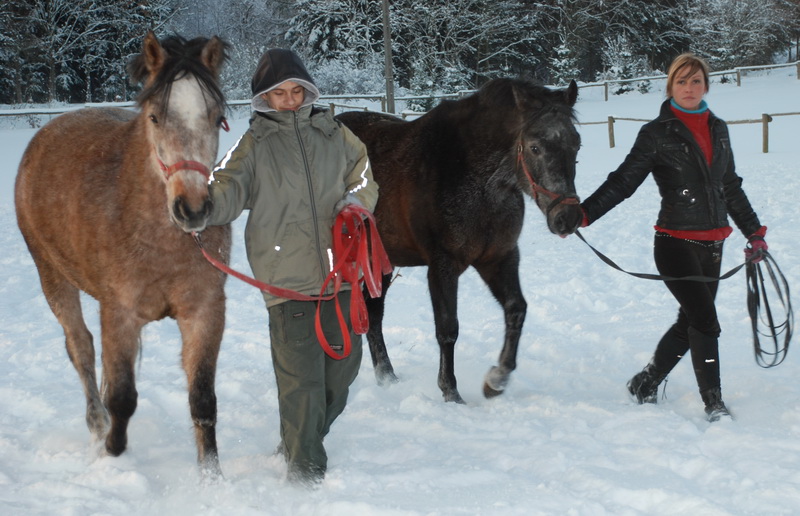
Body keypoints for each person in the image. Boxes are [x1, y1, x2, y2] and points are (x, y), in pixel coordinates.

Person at [206, 48, 378, 484]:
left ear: (307, 90)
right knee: (302, 384)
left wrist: (356, 202)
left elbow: (362, 173)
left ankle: (298, 439)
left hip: (341, 276)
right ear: (264, 98)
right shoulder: (253, 146)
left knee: (343, 373)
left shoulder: (334, 133)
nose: (290, 100)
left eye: (296, 90)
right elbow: (224, 189)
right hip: (288, 284)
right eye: (279, 93)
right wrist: (201, 208)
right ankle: (305, 474)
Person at [579, 53, 768, 422]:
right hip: (675, 243)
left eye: (696, 81)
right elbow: (624, 181)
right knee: (706, 322)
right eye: (682, 81)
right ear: (670, 86)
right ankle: (713, 403)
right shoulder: (656, 133)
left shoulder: (718, 128)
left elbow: (728, 186)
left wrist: (754, 233)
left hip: (714, 245)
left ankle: (645, 382)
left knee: (690, 322)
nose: (689, 87)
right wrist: (584, 213)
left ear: (706, 86)